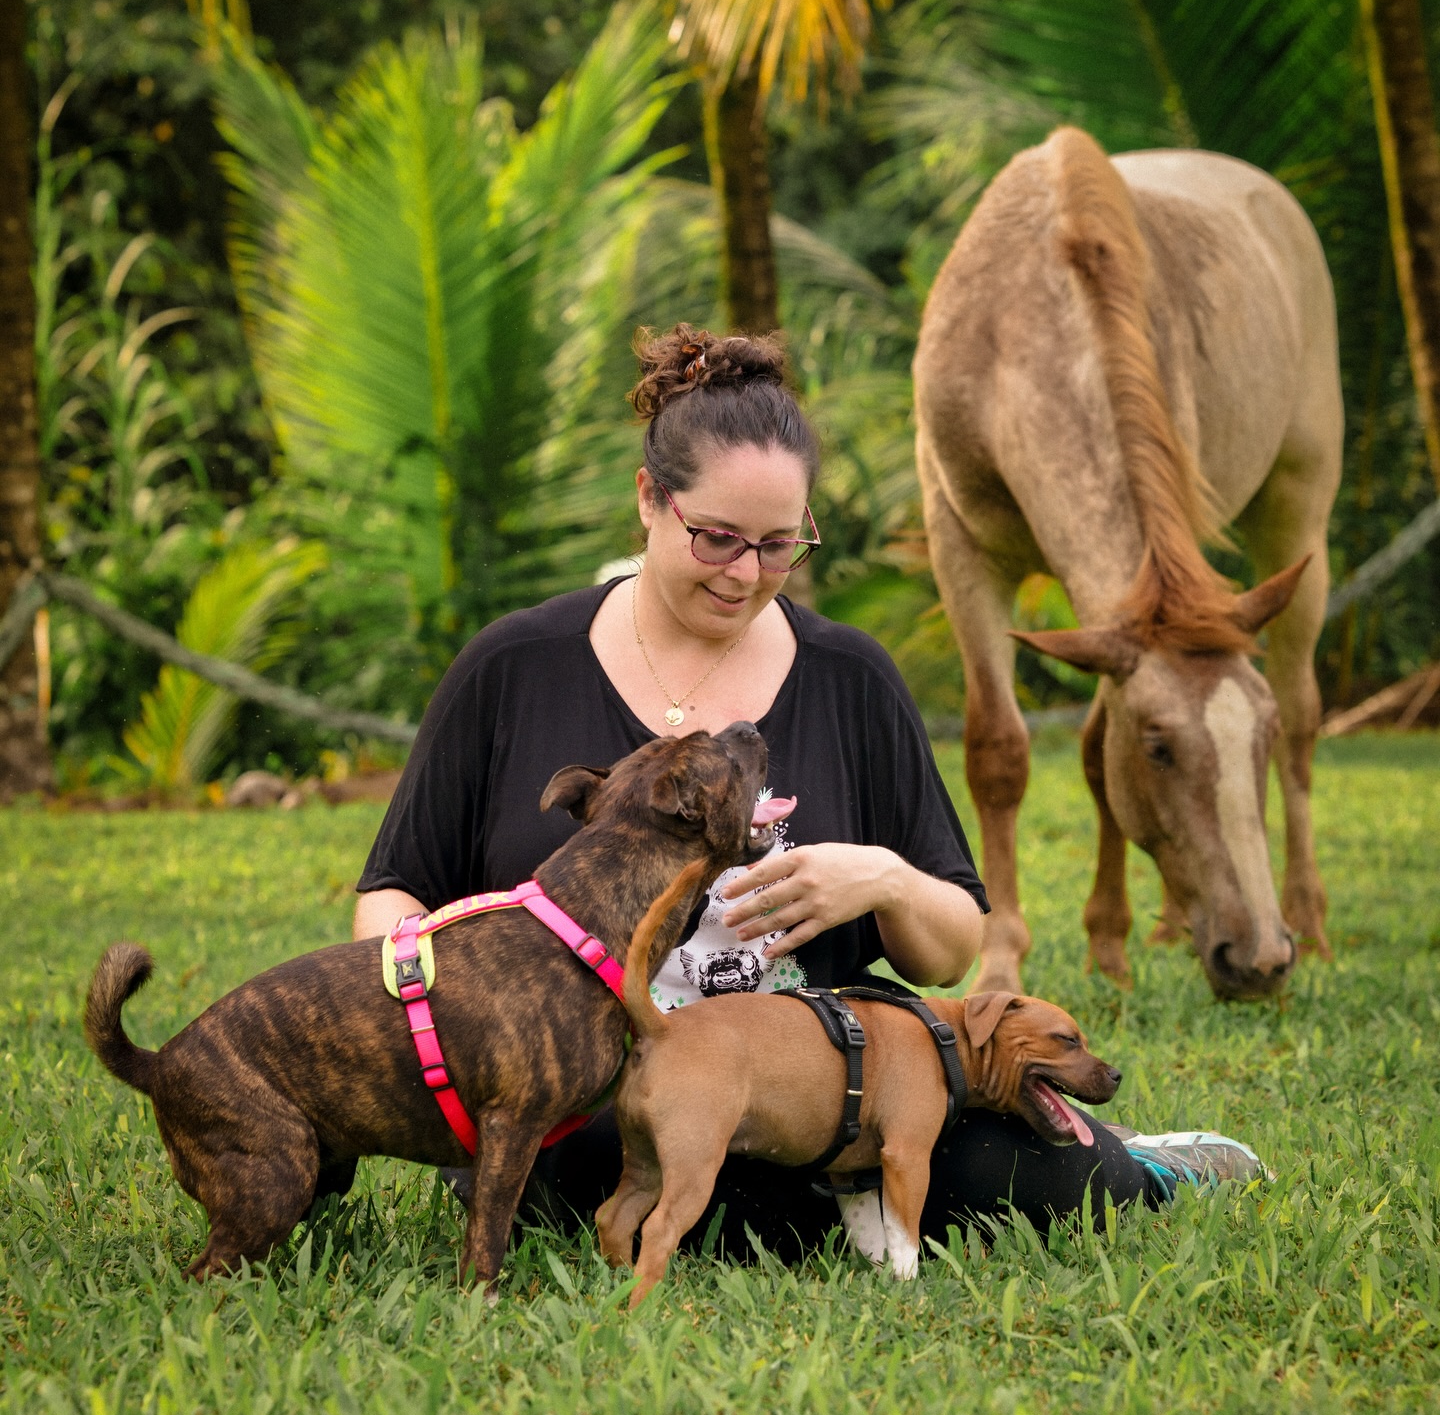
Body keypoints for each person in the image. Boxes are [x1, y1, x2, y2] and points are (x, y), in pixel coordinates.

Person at [354, 324, 1259, 1260]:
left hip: (822, 1093)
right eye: (716, 539)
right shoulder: (515, 666)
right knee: (596, 1165)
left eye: (779, 545)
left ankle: (1129, 1163)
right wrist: (449, 1036)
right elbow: (395, 891)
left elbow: (952, 949)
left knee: (1058, 1179)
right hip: (576, 1090)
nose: (745, 574)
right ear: (649, 501)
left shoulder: (849, 676)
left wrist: (883, 880)